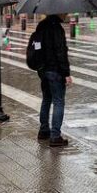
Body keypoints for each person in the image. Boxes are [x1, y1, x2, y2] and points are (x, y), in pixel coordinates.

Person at [35, 13, 72, 147]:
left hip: (43, 71)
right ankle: (55, 136)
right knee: (58, 101)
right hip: (55, 71)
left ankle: (44, 130)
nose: (66, 14)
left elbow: (37, 48)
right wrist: (66, 73)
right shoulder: (57, 28)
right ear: (59, 12)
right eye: (65, 12)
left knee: (46, 99)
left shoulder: (41, 25)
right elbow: (60, 53)